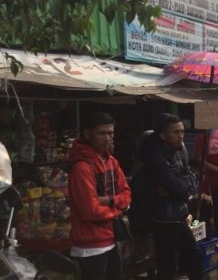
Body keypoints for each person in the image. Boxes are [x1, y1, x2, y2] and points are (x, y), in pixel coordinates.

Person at [68, 112, 131, 280]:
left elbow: (126, 195)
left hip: (110, 239)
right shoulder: (82, 167)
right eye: (101, 133)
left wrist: (110, 200)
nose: (107, 138)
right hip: (90, 245)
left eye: (110, 133)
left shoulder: (111, 162)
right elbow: (90, 211)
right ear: (87, 134)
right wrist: (116, 211)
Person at [144, 113, 202, 280]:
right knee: (167, 267)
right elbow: (180, 187)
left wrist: (178, 186)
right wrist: (180, 186)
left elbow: (191, 182)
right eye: (175, 132)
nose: (181, 136)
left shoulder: (179, 153)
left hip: (180, 217)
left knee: (195, 256)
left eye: (182, 131)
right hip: (163, 220)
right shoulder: (156, 158)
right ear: (163, 135)